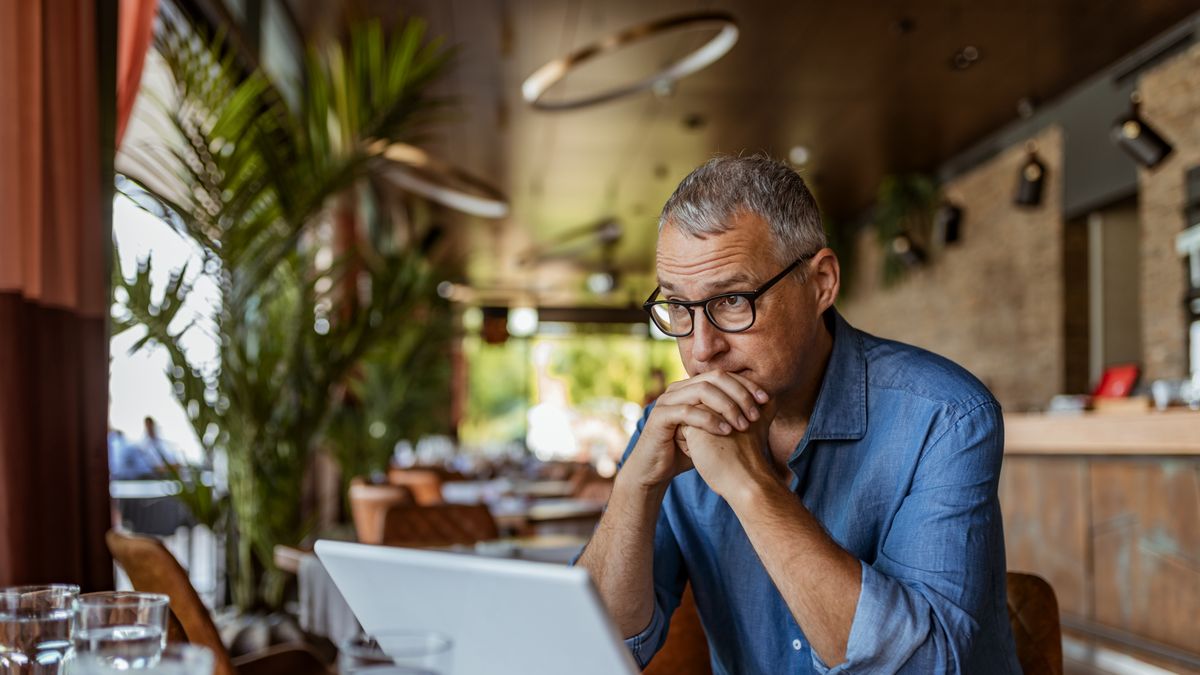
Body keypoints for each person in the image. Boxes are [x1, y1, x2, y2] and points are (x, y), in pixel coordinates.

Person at [576, 156, 1020, 674]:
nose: (701, 349)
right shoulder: (669, 429)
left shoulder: (945, 417)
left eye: (732, 300)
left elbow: (925, 667)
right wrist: (635, 485)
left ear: (821, 283)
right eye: (678, 307)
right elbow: (588, 654)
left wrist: (750, 487)